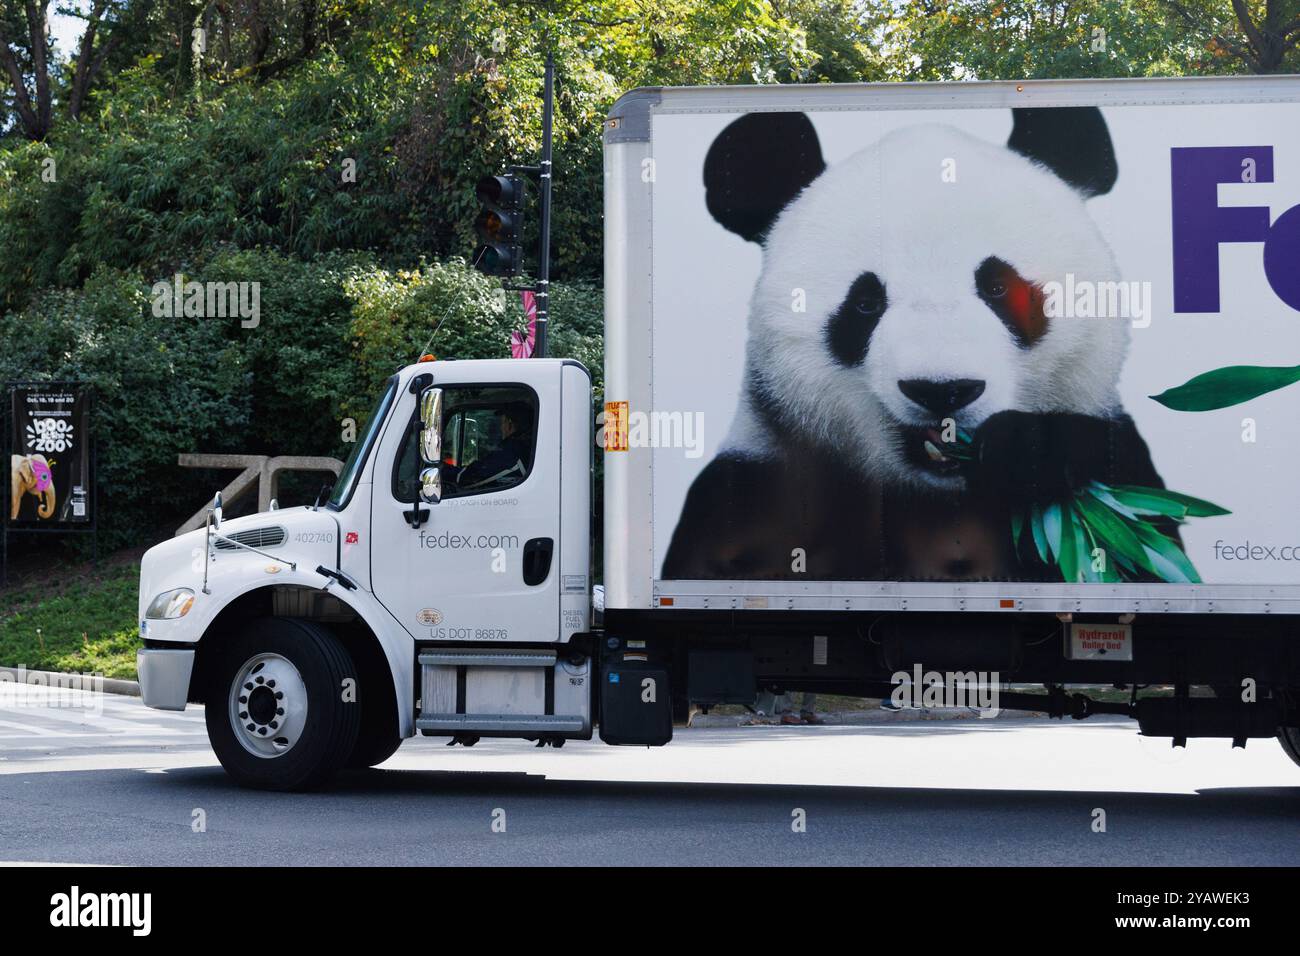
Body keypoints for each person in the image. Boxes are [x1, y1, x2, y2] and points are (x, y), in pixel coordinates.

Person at [456, 405, 531, 491]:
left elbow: (470, 477)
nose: (501, 427)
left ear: (510, 424)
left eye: (503, 422)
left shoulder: (512, 452)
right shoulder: (524, 447)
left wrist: (447, 472)